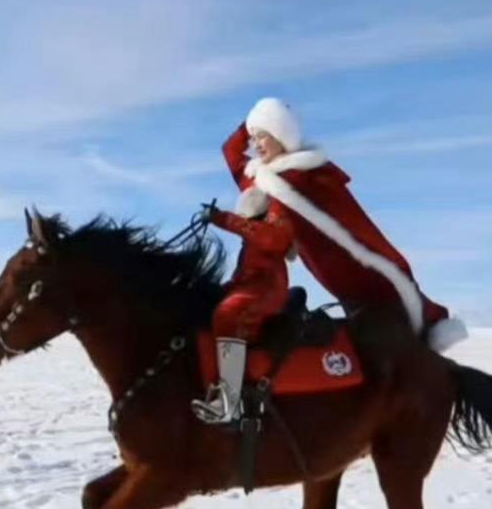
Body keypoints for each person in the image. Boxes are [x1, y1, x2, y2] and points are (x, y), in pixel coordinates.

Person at [221, 97, 468, 352]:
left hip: (346, 264)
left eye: (262, 136)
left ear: (281, 136)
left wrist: (226, 220)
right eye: (253, 138)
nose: (255, 144)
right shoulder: (264, 177)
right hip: (324, 268)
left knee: (383, 311)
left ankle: (422, 340)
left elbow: (346, 225)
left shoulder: (303, 178)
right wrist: (251, 122)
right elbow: (231, 151)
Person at [191, 192, 295, 424]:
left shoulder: (273, 228)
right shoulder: (251, 238)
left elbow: (270, 239)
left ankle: (230, 402)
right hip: (251, 288)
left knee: (228, 313)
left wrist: (222, 219)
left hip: (268, 291)